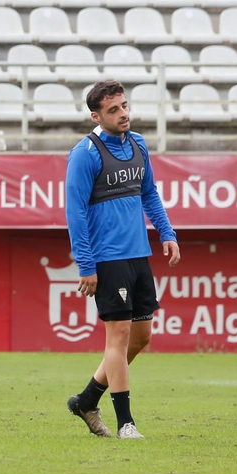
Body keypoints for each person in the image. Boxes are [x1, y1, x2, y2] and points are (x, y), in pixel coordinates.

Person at [65, 79, 179, 440]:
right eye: (114, 109)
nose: (124, 114)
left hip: (138, 255)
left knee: (141, 336)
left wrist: (167, 232)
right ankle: (126, 422)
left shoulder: (138, 144)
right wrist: (86, 265)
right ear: (96, 115)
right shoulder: (85, 152)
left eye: (125, 106)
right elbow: (75, 212)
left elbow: (149, 194)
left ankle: (86, 399)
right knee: (117, 337)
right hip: (108, 259)